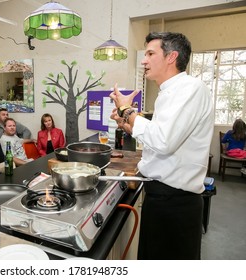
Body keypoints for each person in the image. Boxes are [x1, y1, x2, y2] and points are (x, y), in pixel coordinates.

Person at [109, 32, 214, 260]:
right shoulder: (169, 92)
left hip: (175, 203)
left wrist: (128, 111)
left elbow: (164, 142)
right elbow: (159, 138)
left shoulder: (190, 88)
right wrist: (126, 123)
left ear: (171, 57)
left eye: (150, 53)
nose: (144, 60)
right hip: (161, 197)